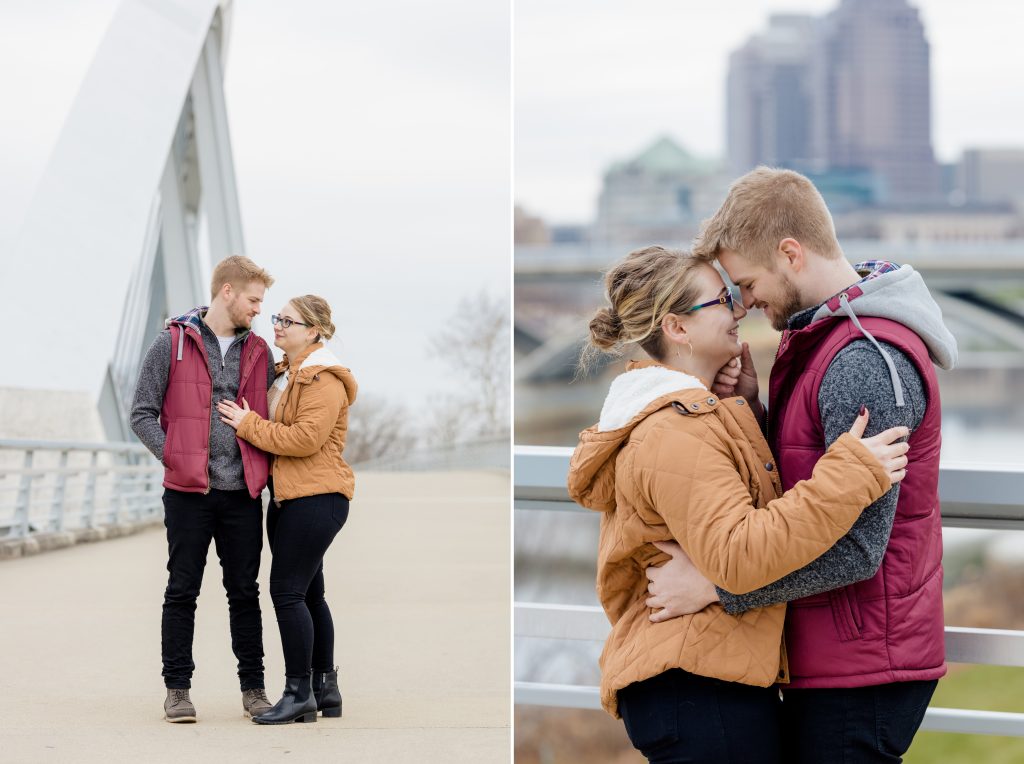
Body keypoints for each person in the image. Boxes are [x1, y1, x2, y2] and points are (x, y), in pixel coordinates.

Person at [645, 167, 958, 763]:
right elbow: (810, 482)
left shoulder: (863, 360)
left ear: (790, 253)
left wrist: (716, 589)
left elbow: (861, 549)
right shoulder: (822, 341)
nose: (746, 302)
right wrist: (754, 409)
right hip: (836, 651)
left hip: (865, 665)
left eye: (747, 282)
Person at [567, 245, 912, 763]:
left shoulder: (683, 417)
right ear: (677, 328)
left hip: (700, 678)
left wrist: (747, 409)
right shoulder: (677, 429)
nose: (739, 309)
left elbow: (732, 513)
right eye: (722, 300)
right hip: (697, 686)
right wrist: (850, 476)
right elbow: (739, 554)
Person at [130, 255, 277, 723]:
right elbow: (141, 414)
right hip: (187, 493)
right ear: (227, 292)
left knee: (244, 592)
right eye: (254, 300)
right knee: (181, 590)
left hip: (242, 495)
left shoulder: (260, 354)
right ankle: (177, 690)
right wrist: (175, 455)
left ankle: (254, 689)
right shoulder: (171, 342)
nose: (258, 310)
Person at [217, 294, 356, 725]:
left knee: (287, 592)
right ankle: (324, 689)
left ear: (313, 331)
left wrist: (248, 425)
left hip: (317, 498)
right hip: (289, 497)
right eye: (276, 318)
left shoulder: (323, 379)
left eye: (287, 321)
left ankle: (298, 693)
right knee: (310, 594)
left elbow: (304, 439)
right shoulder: (286, 373)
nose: (277, 325)